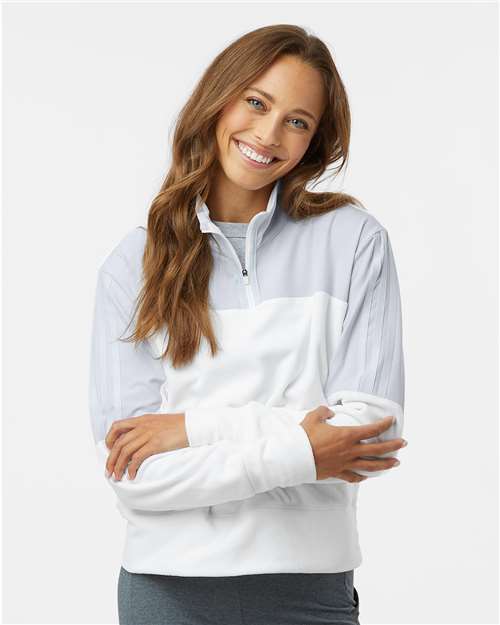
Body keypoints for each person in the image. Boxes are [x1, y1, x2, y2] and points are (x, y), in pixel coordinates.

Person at [88, 24, 408, 625]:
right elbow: (135, 472)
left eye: (297, 121)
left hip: (308, 591)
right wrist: (303, 450)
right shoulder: (133, 265)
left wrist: (192, 427)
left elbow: (366, 434)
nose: (268, 134)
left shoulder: (353, 241)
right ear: (218, 99)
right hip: (167, 593)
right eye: (256, 102)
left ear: (314, 141)